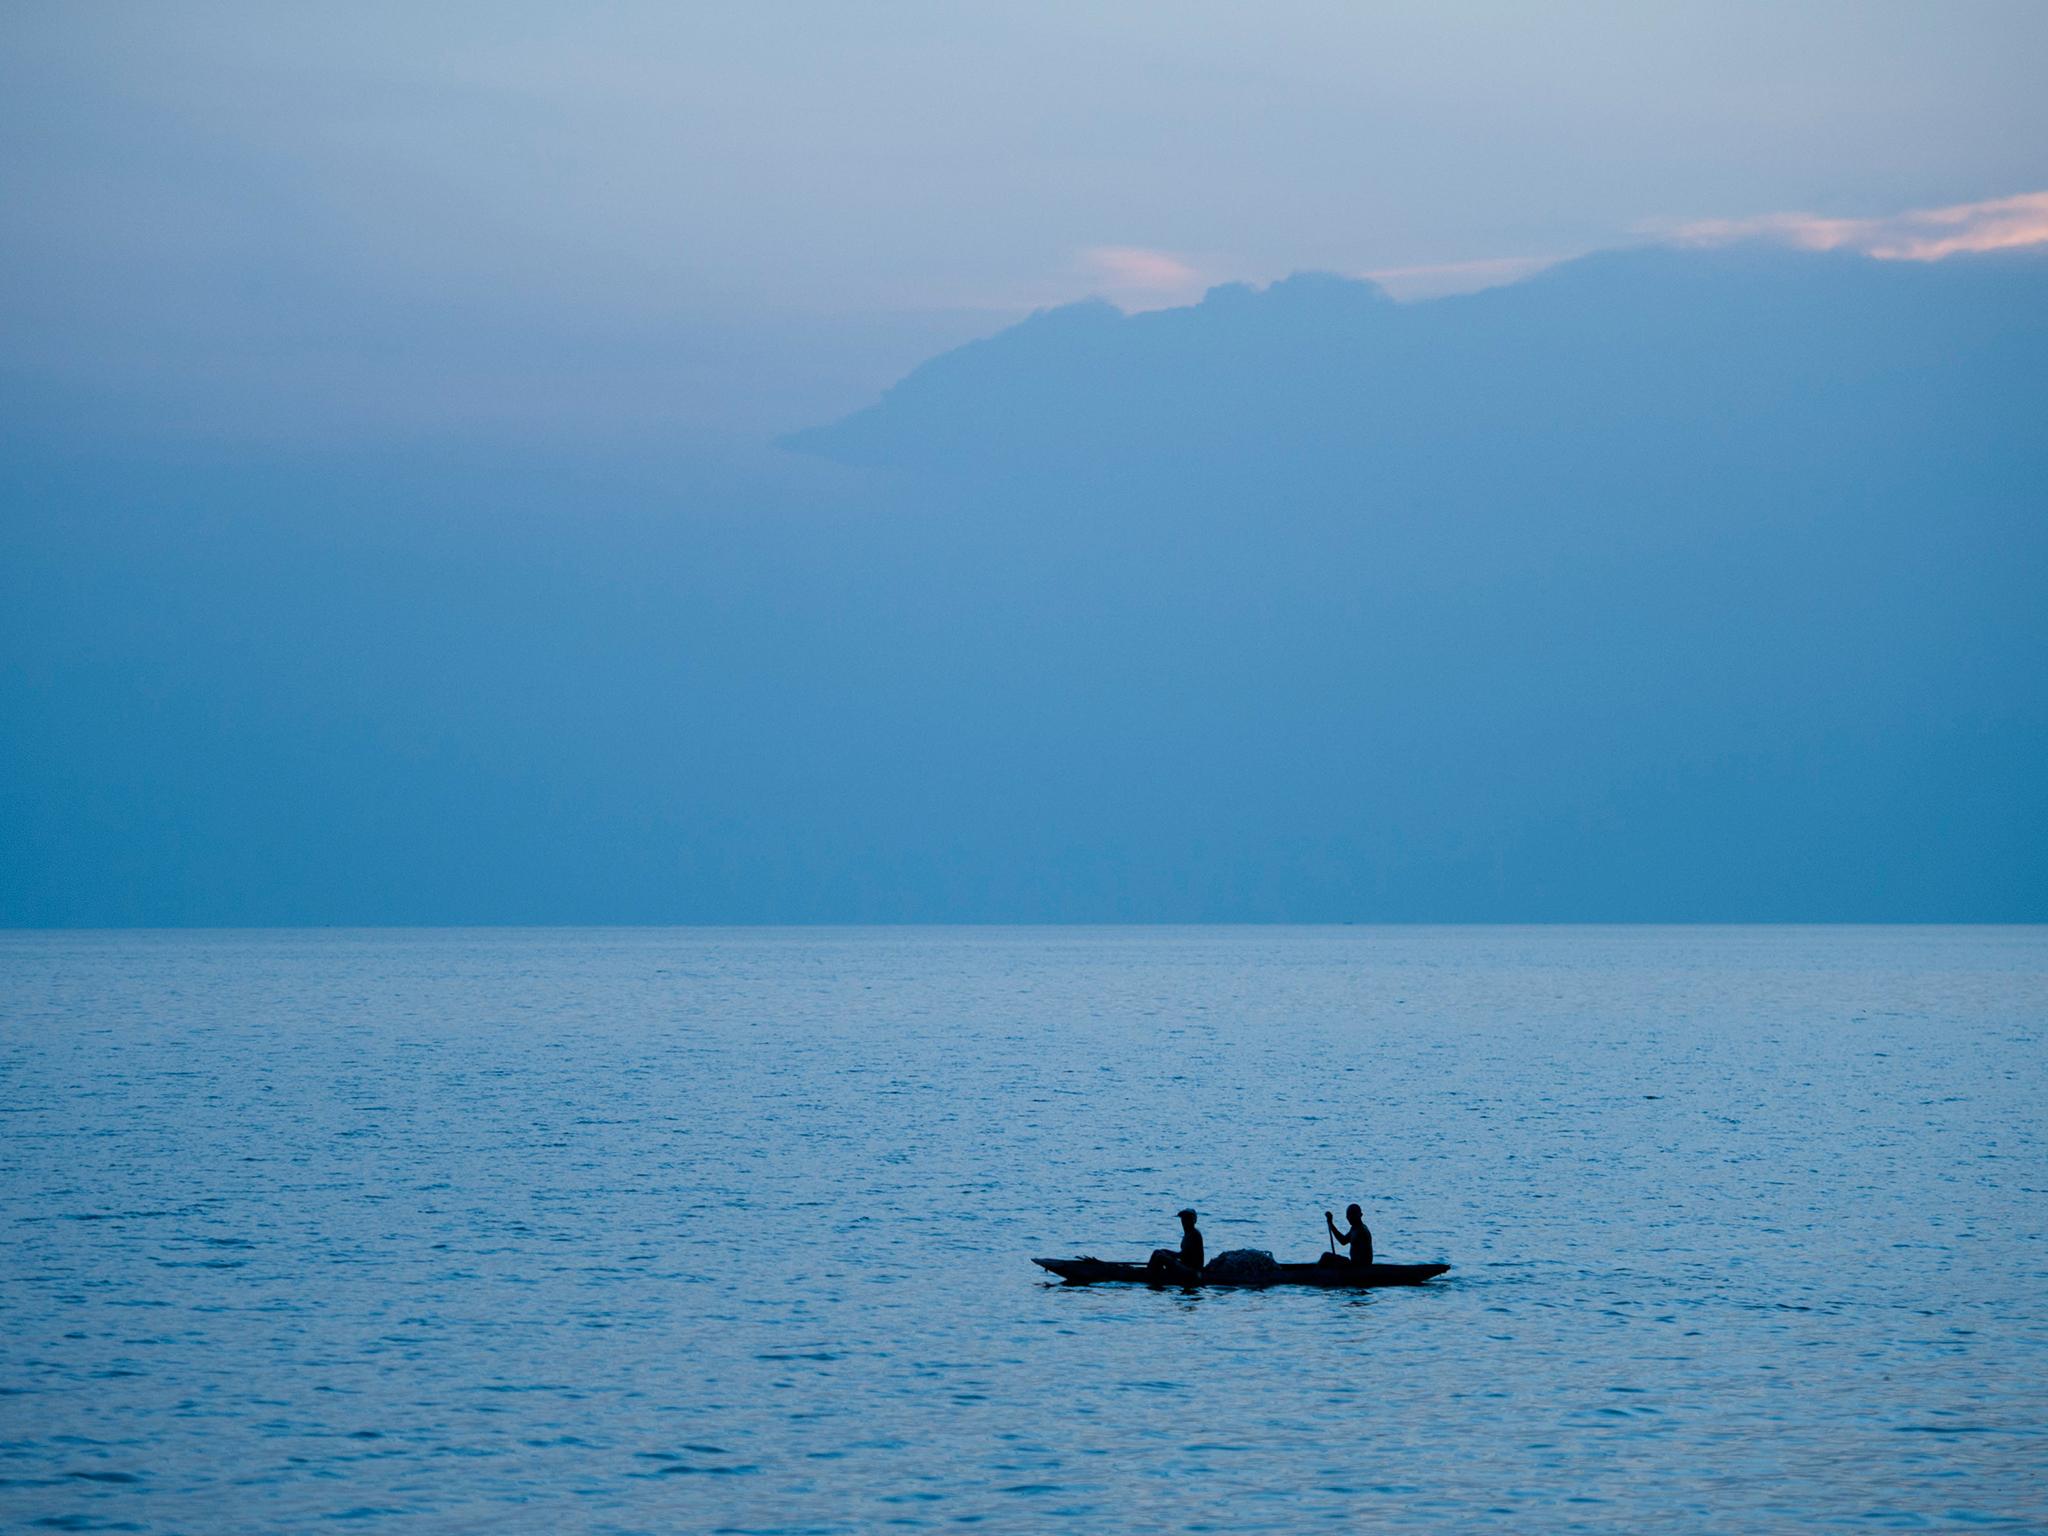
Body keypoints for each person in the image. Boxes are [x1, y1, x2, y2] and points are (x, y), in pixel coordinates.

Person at [1148, 1208, 1205, 1280]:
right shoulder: (1188, 1234)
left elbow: (1183, 1256)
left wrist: (1168, 1253)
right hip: (1185, 1266)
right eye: (1183, 1218)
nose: (1184, 1221)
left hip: (1192, 1271)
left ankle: (1152, 1277)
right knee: (1157, 1252)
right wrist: (1166, 1252)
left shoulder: (1194, 1234)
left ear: (1194, 1220)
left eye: (1188, 1219)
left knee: (1160, 1256)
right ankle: (1150, 1272)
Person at [1324, 1203, 1374, 1269]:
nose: (1349, 1218)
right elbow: (1343, 1241)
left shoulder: (1362, 1231)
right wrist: (1331, 1224)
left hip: (1359, 1267)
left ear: (1360, 1215)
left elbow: (1365, 1256)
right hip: (1354, 1265)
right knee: (1327, 1257)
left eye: (1352, 1215)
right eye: (1348, 1216)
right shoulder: (1354, 1228)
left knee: (1326, 1257)